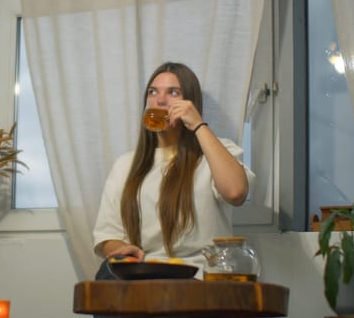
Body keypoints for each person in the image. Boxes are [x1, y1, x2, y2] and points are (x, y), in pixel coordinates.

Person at [92, 62, 256, 284]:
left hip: (199, 277)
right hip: (145, 274)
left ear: (191, 103)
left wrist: (198, 125)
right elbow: (107, 235)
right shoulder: (125, 165)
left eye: (173, 92)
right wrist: (122, 249)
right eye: (153, 92)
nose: (160, 101)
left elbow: (236, 192)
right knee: (106, 275)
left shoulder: (216, 153)